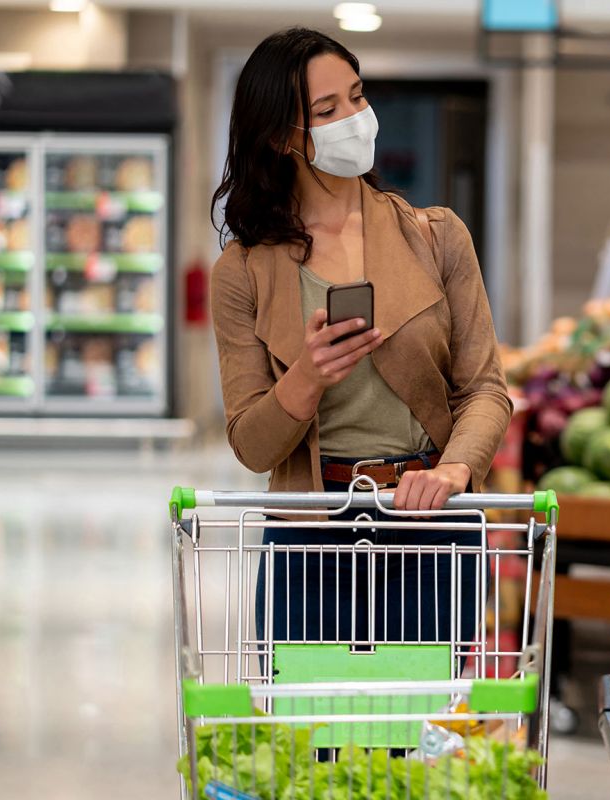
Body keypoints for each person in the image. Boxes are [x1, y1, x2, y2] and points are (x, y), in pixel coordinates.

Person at [209, 27, 511, 668]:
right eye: (326, 111)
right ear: (279, 136)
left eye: (356, 97)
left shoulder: (436, 236)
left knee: (428, 747)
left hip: (431, 528)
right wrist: (305, 379)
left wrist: (456, 470)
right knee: (318, 752)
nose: (354, 120)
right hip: (309, 541)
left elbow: (484, 388)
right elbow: (251, 444)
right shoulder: (243, 271)